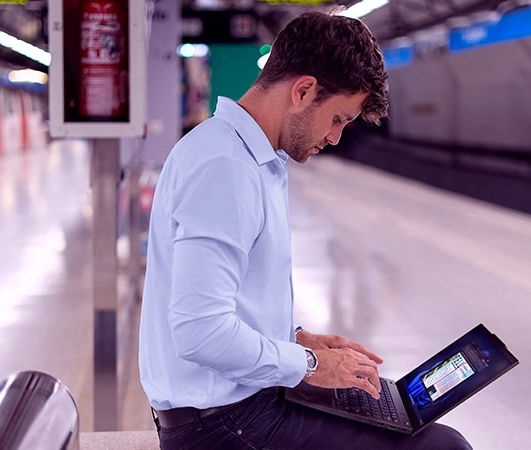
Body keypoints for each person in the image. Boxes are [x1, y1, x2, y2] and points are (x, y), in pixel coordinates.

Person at [138, 10, 472, 450]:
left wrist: (294, 337)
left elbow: (227, 298)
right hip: (221, 428)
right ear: (303, 91)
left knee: (411, 423)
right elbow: (200, 331)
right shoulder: (226, 168)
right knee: (440, 446)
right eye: (338, 119)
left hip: (239, 407)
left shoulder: (242, 157)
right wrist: (311, 364)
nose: (335, 138)